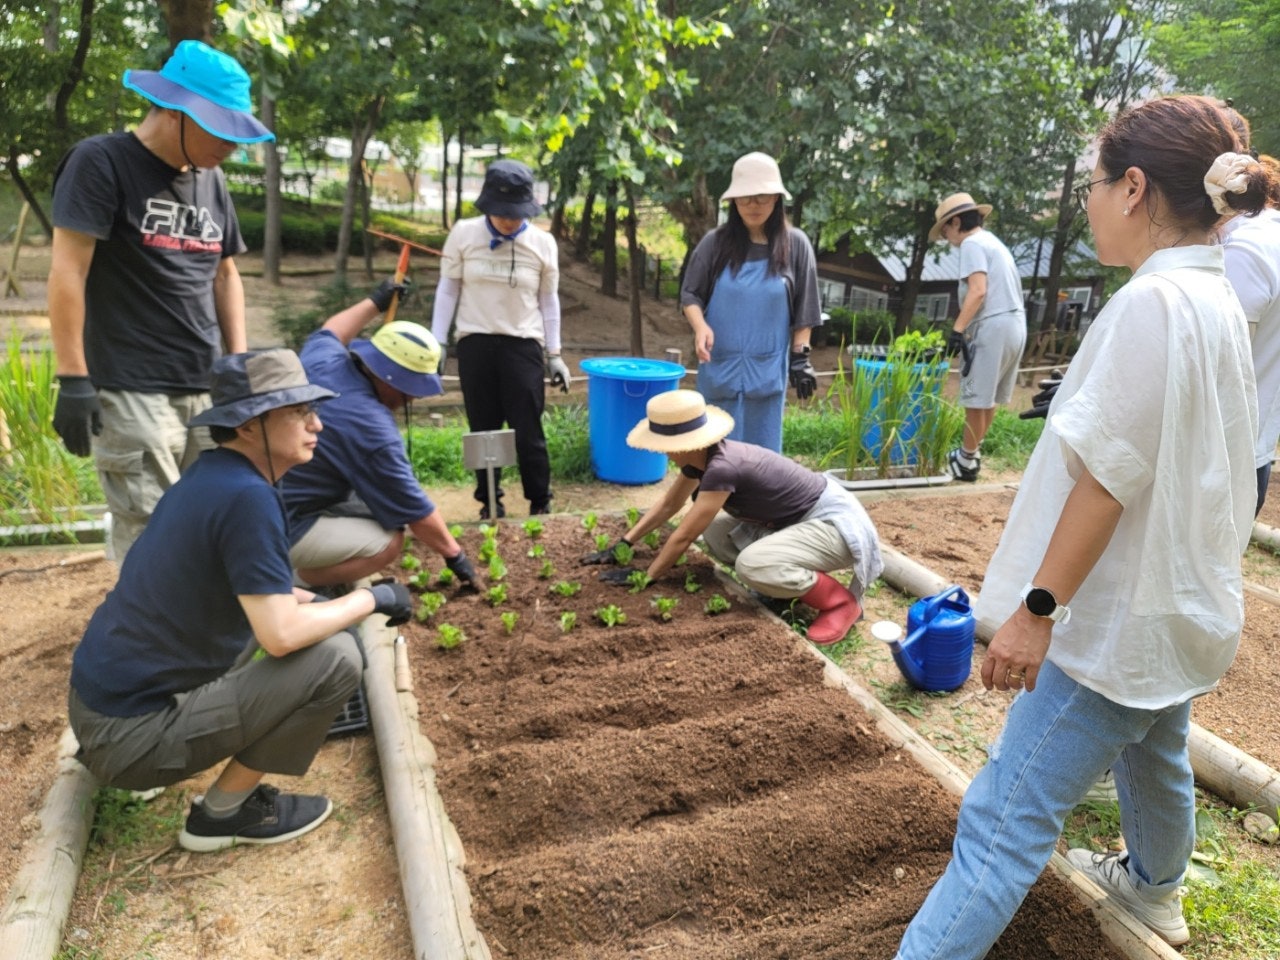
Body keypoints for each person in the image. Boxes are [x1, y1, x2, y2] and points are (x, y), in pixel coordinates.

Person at [895, 95, 1267, 959]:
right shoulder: (1214, 298)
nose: (1094, 201)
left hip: (1114, 617)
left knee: (1003, 819)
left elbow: (1106, 483)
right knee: (1157, 754)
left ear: (1134, 188)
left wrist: (1036, 611)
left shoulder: (1153, 305)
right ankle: (1156, 890)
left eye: (1097, 184)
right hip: (1177, 603)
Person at [67, 349, 415, 853]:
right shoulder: (248, 499)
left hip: (99, 713)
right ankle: (221, 817)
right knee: (338, 657)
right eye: (299, 412)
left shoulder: (213, 477)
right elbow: (280, 635)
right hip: (129, 742)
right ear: (250, 425)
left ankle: (184, 776)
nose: (316, 424)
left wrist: (311, 601)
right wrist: (374, 599)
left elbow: (242, 586)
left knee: (305, 621)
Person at [48, 40, 273, 563]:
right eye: (220, 130)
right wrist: (74, 378)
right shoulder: (100, 162)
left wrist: (235, 363)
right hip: (130, 385)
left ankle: (200, 643)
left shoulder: (211, 179)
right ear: (175, 111)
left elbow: (225, 273)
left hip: (205, 384)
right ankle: (147, 644)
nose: (231, 148)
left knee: (212, 524)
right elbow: (67, 271)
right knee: (153, 536)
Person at [581, 389, 882, 645]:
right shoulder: (700, 460)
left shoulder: (722, 468)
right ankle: (781, 585)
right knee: (715, 531)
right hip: (793, 521)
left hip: (835, 524)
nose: (663, 453)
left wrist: (646, 576)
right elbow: (669, 505)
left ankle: (840, 603)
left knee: (750, 564)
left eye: (665, 447)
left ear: (684, 444)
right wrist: (624, 543)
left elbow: (684, 535)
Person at [281, 281, 477, 588]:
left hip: (262, 501)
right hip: (283, 524)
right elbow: (416, 511)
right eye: (412, 389)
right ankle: (296, 583)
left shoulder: (325, 359)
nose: (411, 400)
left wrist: (375, 301)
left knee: (370, 502)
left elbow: (332, 329)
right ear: (393, 379)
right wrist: (457, 558)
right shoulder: (371, 427)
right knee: (388, 541)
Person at [430, 159, 568, 519]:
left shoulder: (543, 243)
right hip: (475, 344)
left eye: (517, 213)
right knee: (483, 430)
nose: (509, 219)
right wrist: (437, 342)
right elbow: (448, 289)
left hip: (522, 344)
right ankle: (489, 503)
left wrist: (554, 353)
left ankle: (540, 502)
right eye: (501, 212)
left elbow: (548, 300)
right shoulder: (463, 233)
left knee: (528, 430)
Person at [680, 152, 822, 453]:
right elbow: (691, 294)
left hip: (766, 372)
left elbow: (805, 313)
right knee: (713, 456)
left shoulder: (796, 245)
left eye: (762, 196)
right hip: (719, 368)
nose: (753, 205)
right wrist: (700, 325)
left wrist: (801, 359)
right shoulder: (715, 244)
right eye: (745, 198)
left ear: (776, 198)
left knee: (762, 461)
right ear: (734, 201)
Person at [929, 191, 1027, 482]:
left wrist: (957, 330)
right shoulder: (992, 242)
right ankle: (969, 454)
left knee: (975, 397)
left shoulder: (971, 244)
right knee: (989, 397)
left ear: (956, 222)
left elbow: (978, 290)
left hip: (992, 326)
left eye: (946, 228)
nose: (946, 236)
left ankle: (966, 462)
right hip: (1015, 324)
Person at [1220, 153, 1280, 514]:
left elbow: (1215, 369)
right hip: (1254, 449)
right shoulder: (1268, 237)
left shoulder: (1245, 251)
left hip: (1218, 463)